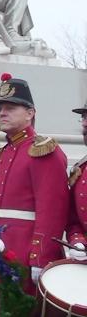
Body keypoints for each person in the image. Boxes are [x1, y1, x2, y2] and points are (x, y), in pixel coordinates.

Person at [0, 73, 69, 317]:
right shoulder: (4, 152)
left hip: (24, 248)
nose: (2, 113)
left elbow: (52, 209)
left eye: (10, 107)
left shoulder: (42, 150)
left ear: (30, 112)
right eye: (0, 108)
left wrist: (40, 255)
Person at [67, 101, 87, 261]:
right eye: (83, 117)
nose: (85, 123)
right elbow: (73, 219)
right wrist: (77, 240)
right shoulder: (80, 169)